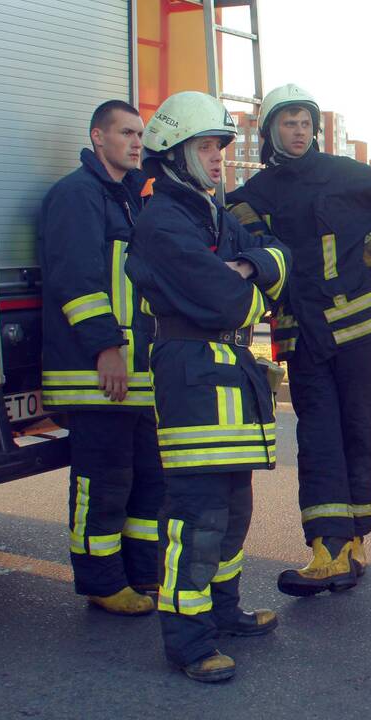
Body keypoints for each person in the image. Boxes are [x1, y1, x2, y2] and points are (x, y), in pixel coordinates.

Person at [226, 84, 371, 597]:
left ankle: (354, 540)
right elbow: (236, 232)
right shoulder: (256, 193)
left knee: (361, 432)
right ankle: (326, 548)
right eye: (287, 123)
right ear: (270, 130)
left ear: (314, 128)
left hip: (361, 329)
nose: (298, 132)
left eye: (304, 123)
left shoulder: (342, 172)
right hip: (303, 335)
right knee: (319, 440)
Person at [126, 91, 288, 682]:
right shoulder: (163, 222)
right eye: (206, 146)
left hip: (228, 374)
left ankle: (222, 611)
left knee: (234, 508)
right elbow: (231, 301)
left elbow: (279, 259)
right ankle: (189, 642)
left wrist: (249, 267)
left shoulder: (212, 214)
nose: (220, 156)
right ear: (172, 154)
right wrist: (252, 280)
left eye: (221, 145)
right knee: (197, 517)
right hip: (193, 375)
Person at [38, 100, 162, 617]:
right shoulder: (77, 195)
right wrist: (106, 348)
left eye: (140, 134)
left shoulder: (130, 198)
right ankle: (101, 581)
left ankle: (138, 576)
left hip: (135, 373)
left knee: (145, 481)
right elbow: (78, 281)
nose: (137, 142)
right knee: (104, 481)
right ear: (97, 137)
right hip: (95, 371)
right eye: (126, 133)